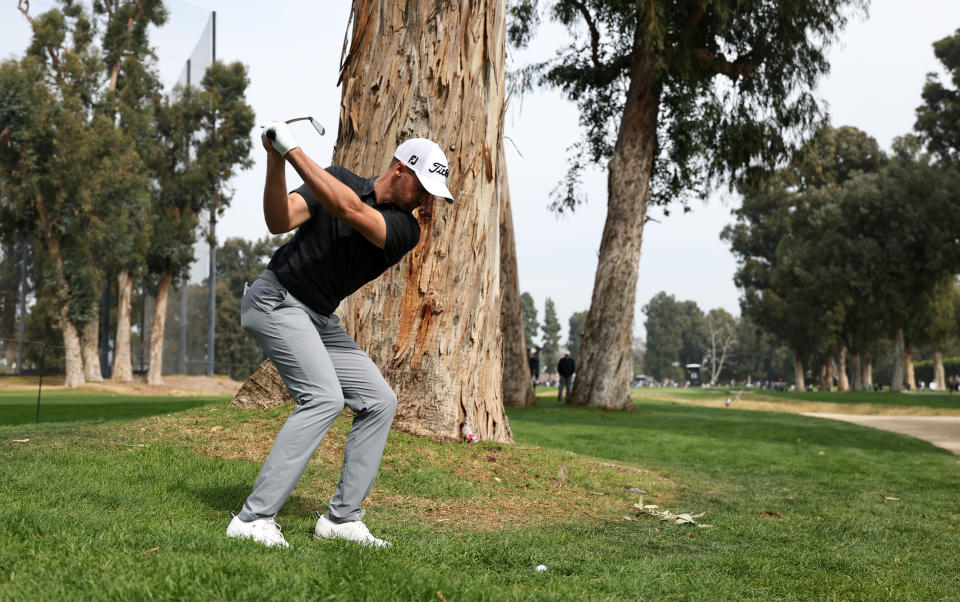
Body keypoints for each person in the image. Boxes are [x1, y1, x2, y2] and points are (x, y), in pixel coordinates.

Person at [225, 121, 454, 548]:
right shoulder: (337, 178)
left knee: (380, 401)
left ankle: (341, 519)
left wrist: (291, 150)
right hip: (274, 300)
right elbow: (279, 220)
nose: (427, 199)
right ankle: (252, 519)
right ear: (401, 168)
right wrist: (275, 162)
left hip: (319, 318)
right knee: (324, 397)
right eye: (423, 186)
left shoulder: (406, 229)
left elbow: (349, 210)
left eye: (432, 193)